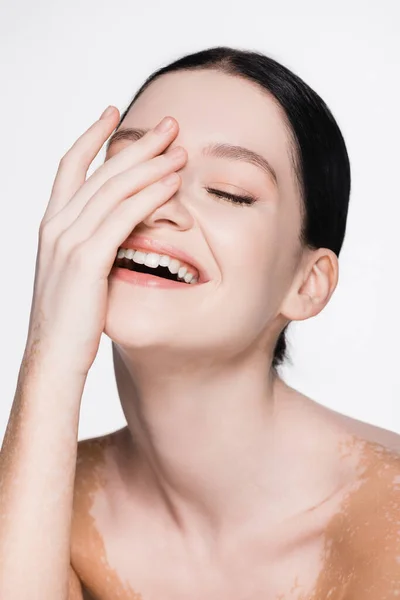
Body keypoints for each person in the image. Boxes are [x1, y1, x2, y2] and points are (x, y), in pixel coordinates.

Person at [1, 46, 399, 600]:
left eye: (229, 192)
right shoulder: (40, 502)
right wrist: (49, 353)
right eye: (132, 172)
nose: (157, 206)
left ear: (307, 284)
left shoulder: (387, 522)